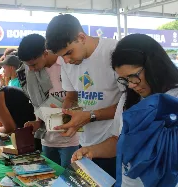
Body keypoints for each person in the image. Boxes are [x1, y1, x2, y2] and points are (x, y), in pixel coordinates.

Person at [72, 34, 178, 186]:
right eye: (125, 80)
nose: (131, 85)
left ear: (154, 64)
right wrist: (92, 150)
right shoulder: (128, 100)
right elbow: (118, 140)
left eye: (133, 76)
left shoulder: (173, 99)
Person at [45, 14, 122, 177]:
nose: (66, 61)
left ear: (81, 37)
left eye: (69, 53)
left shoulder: (114, 52)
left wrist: (90, 116)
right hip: (85, 146)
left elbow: (130, 106)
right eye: (61, 56)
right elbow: (72, 97)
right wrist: (65, 116)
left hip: (115, 146)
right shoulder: (67, 63)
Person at [17, 34, 79, 168]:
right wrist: (37, 122)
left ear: (45, 53)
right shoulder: (30, 73)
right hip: (47, 140)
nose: (31, 69)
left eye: (33, 64)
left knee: (68, 180)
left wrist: (61, 115)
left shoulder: (66, 64)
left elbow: (75, 97)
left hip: (71, 140)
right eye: (28, 66)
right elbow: (38, 105)